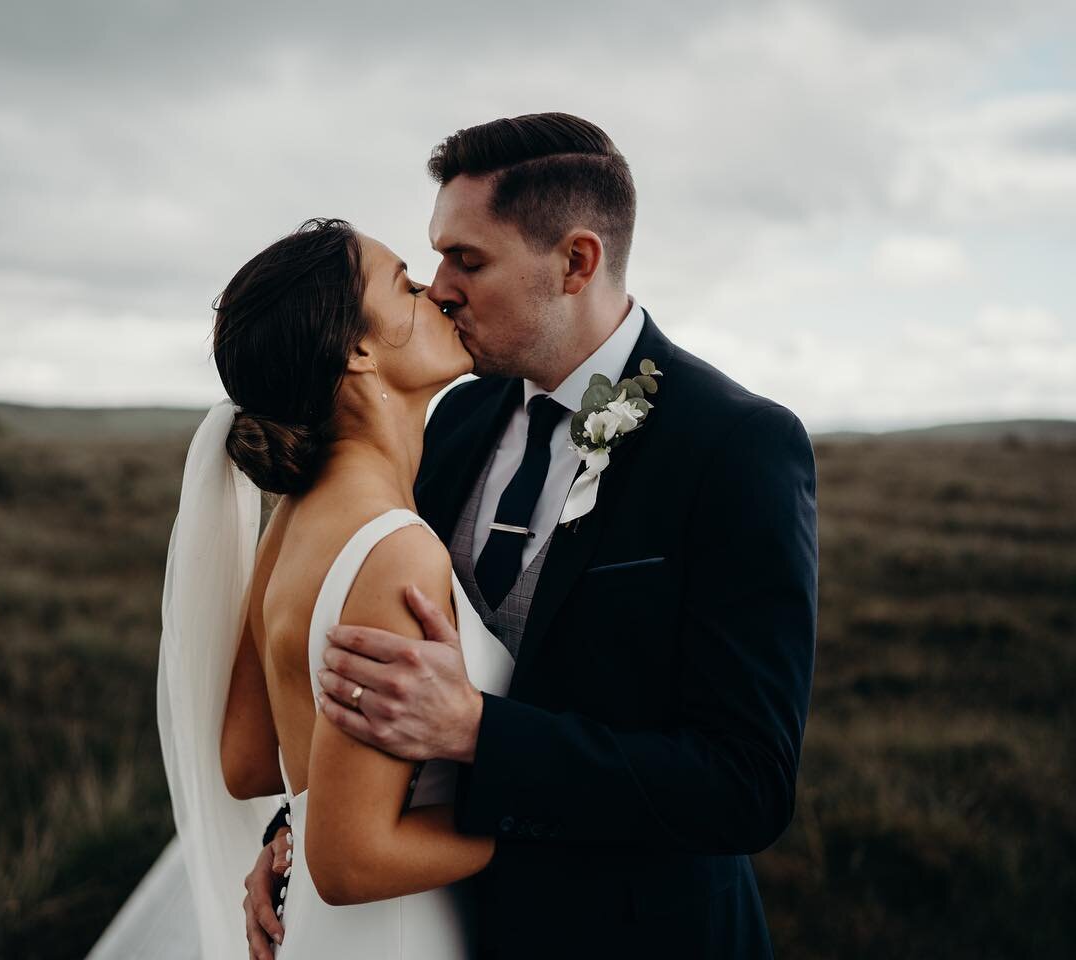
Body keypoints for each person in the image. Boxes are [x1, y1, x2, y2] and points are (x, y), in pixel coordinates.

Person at [242, 113, 819, 959]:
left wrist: (479, 731)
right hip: (448, 926)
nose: (439, 288)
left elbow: (746, 786)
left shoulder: (736, 445)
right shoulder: (456, 416)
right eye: (436, 257)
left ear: (576, 262)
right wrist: (294, 831)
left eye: (468, 260)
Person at [86, 216, 518, 960]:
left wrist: (312, 807)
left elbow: (250, 762)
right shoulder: (394, 552)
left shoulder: (291, 522)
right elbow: (354, 861)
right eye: (405, 286)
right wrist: (542, 825)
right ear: (355, 350)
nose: (435, 295)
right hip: (398, 935)